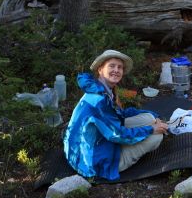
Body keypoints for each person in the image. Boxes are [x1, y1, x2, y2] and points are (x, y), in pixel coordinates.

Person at [64, 49, 168, 181]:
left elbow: (120, 114)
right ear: (100, 69)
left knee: (149, 118)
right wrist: (151, 129)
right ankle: (119, 160)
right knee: (156, 137)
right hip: (91, 161)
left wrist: (154, 115)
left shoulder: (103, 90)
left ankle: (147, 129)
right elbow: (117, 135)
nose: (116, 70)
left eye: (120, 67)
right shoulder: (99, 100)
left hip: (95, 142)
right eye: (111, 66)